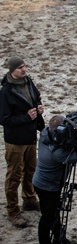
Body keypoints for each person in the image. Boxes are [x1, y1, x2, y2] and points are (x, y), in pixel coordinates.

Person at [31, 114, 77, 244]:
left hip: (47, 183)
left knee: (55, 210)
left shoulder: (46, 133)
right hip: (47, 187)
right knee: (48, 216)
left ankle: (58, 238)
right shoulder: (56, 153)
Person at [0, 56, 44, 228]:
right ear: (12, 70)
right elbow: (4, 119)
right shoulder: (5, 92)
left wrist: (39, 107)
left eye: (24, 66)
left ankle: (29, 200)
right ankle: (13, 210)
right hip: (16, 141)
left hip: (30, 136)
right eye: (20, 67)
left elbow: (36, 97)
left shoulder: (28, 82)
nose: (24, 70)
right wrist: (26, 117)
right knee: (14, 176)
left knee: (31, 170)